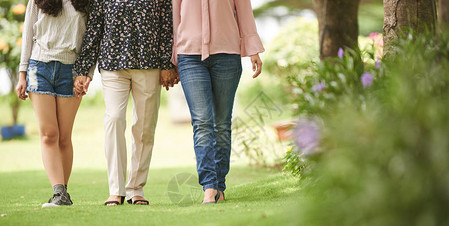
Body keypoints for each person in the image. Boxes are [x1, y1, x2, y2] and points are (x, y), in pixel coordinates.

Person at [73, 0, 178, 206]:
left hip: (149, 64)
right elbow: (95, 27)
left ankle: (136, 189)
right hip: (113, 64)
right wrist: (84, 70)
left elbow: (167, 26)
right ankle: (116, 190)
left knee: (145, 126)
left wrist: (167, 63)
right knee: (114, 119)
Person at [172, 0, 264, 204]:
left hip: (227, 55)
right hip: (190, 55)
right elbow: (175, 14)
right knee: (202, 122)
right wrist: (172, 56)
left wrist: (253, 50)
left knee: (222, 124)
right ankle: (209, 186)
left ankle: (219, 185)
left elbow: (244, 12)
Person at [15, 0, 90, 207]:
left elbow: (92, 40)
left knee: (64, 137)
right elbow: (28, 36)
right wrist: (22, 75)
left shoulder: (86, 2)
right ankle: (59, 194)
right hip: (40, 68)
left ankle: (62, 195)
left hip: (71, 71)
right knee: (49, 134)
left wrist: (87, 74)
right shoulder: (36, 1)